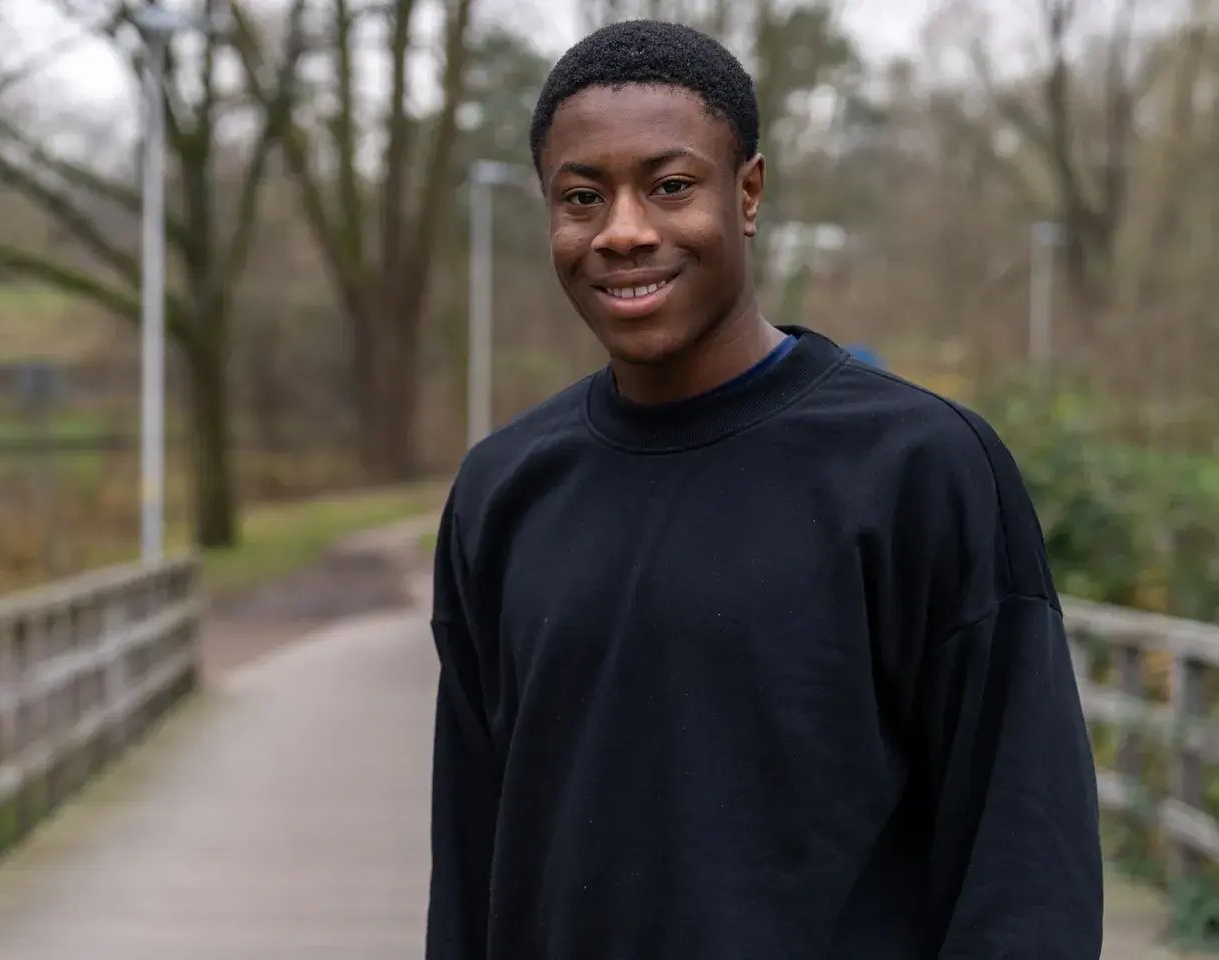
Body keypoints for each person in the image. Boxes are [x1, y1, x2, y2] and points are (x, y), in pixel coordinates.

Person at [426, 20, 1103, 959]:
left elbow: (1024, 857)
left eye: (670, 186)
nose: (624, 231)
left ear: (746, 193)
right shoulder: (503, 491)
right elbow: (471, 859)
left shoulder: (918, 469)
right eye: (582, 197)